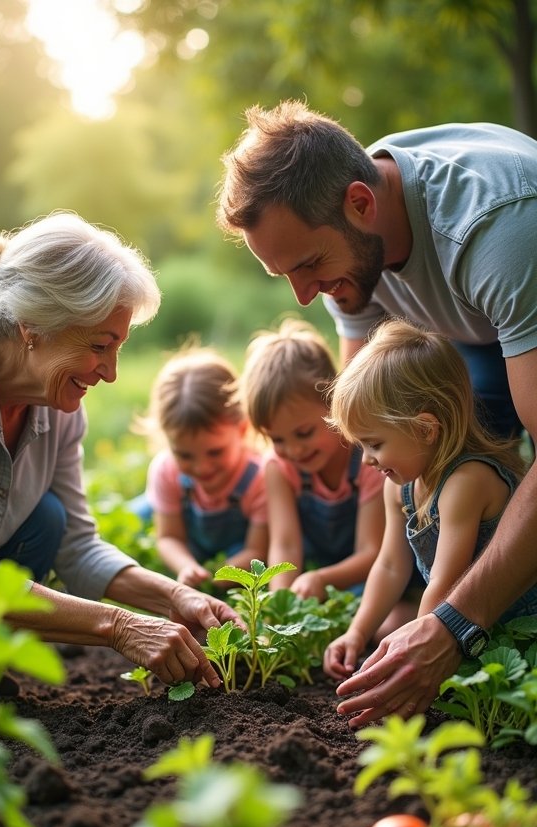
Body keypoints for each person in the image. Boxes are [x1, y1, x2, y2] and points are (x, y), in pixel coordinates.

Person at [217, 100, 537, 727]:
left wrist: (449, 627)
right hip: (475, 331)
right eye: (283, 274)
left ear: (362, 203)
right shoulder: (349, 238)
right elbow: (363, 418)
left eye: (308, 265)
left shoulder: (494, 229)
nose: (304, 295)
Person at [0, 211, 240, 690]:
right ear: (32, 326)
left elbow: (75, 548)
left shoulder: (57, 405)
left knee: (49, 521)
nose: (111, 372)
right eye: (101, 346)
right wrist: (120, 626)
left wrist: (172, 598)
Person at [323, 318, 537, 689]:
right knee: (388, 626)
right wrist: (356, 633)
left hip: (515, 625)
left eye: (374, 444)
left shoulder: (466, 482)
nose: (366, 461)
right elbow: (390, 566)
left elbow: (443, 581)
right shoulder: (402, 486)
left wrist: (411, 659)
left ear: (425, 428)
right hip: (466, 626)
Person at [241, 318, 414, 637]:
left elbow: (371, 552)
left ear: (333, 403)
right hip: (318, 580)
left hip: (368, 578)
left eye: (303, 433)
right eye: (276, 439)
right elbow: (285, 544)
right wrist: (280, 603)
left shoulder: (367, 461)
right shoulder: (278, 467)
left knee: (387, 626)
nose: (292, 450)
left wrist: (322, 580)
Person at [134, 345, 268, 588]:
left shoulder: (259, 477)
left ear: (242, 429)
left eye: (215, 452)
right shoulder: (167, 469)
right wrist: (186, 567)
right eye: (184, 455)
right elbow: (169, 537)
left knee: (243, 554)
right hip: (188, 537)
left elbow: (257, 549)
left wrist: (214, 578)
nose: (202, 467)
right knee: (135, 517)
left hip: (234, 550)